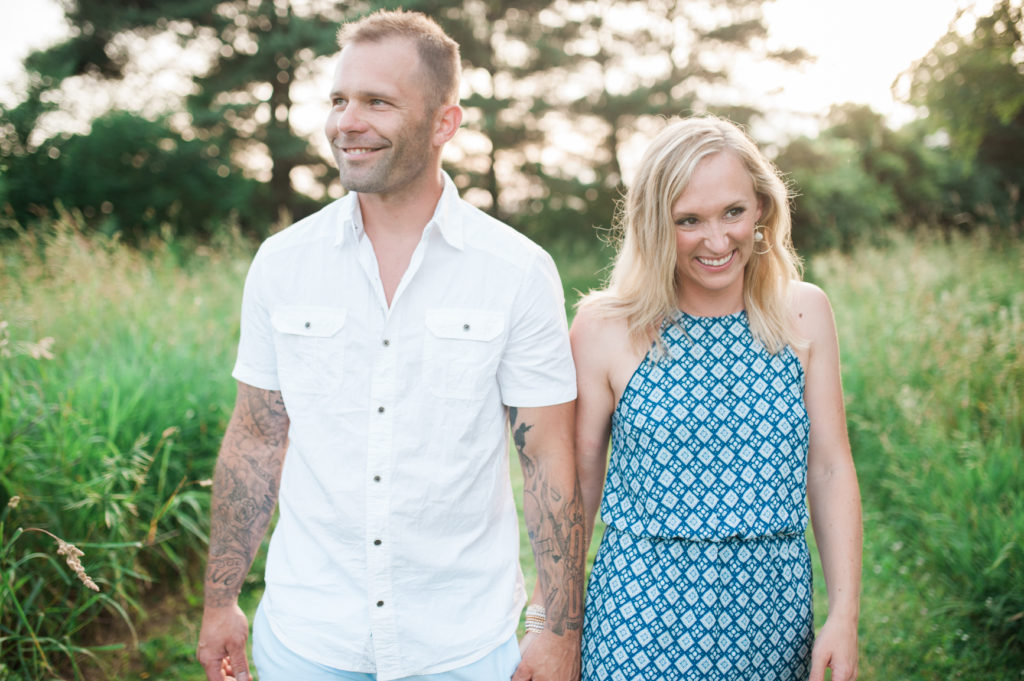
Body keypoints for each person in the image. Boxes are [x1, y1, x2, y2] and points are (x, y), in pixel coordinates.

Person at [196, 10, 584, 681]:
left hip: (464, 647)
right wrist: (218, 599)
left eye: (378, 101)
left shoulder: (517, 271)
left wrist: (557, 629)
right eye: (340, 100)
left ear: (443, 123)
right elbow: (256, 439)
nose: (347, 122)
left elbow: (548, 460)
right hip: (308, 641)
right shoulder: (282, 263)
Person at [570, 116, 862, 681]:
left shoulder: (803, 311)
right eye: (688, 220)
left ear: (762, 209)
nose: (717, 240)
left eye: (733, 211)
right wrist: (554, 627)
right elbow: (577, 489)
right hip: (640, 622)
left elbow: (829, 468)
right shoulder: (604, 327)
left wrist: (843, 615)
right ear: (655, 225)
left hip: (775, 623)